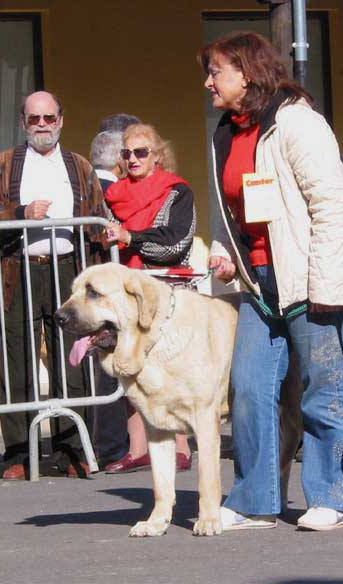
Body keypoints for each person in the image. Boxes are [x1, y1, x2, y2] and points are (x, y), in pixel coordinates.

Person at [198, 32, 343, 531]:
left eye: (216, 71)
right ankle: (256, 499)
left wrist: (326, 288)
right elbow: (227, 208)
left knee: (323, 390)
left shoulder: (298, 123)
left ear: (247, 72)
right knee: (250, 390)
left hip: (309, 274)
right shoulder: (226, 131)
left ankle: (332, 499)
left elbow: (331, 206)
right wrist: (222, 251)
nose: (208, 82)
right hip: (258, 281)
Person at [0, 91, 106, 480]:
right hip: (20, 270)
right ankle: (18, 454)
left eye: (49, 117)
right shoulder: (2, 165)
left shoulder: (79, 166)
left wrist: (109, 233)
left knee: (75, 360)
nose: (43, 125)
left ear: (61, 120)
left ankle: (72, 450)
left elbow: (99, 213)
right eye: (34, 119)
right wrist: (19, 213)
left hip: (70, 273)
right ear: (23, 122)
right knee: (17, 360)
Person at [102, 123, 196, 474]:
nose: (133, 158)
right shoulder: (113, 195)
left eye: (141, 152)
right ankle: (138, 447)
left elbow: (175, 242)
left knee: (167, 370)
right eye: (126, 152)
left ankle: (181, 444)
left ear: (157, 155)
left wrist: (130, 238)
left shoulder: (177, 191)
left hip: (165, 290)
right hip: (124, 292)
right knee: (126, 367)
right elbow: (108, 236)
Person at [88, 120, 140, 470]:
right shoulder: (112, 193)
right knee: (109, 362)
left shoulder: (80, 186)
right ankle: (113, 445)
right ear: (119, 160)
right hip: (106, 293)